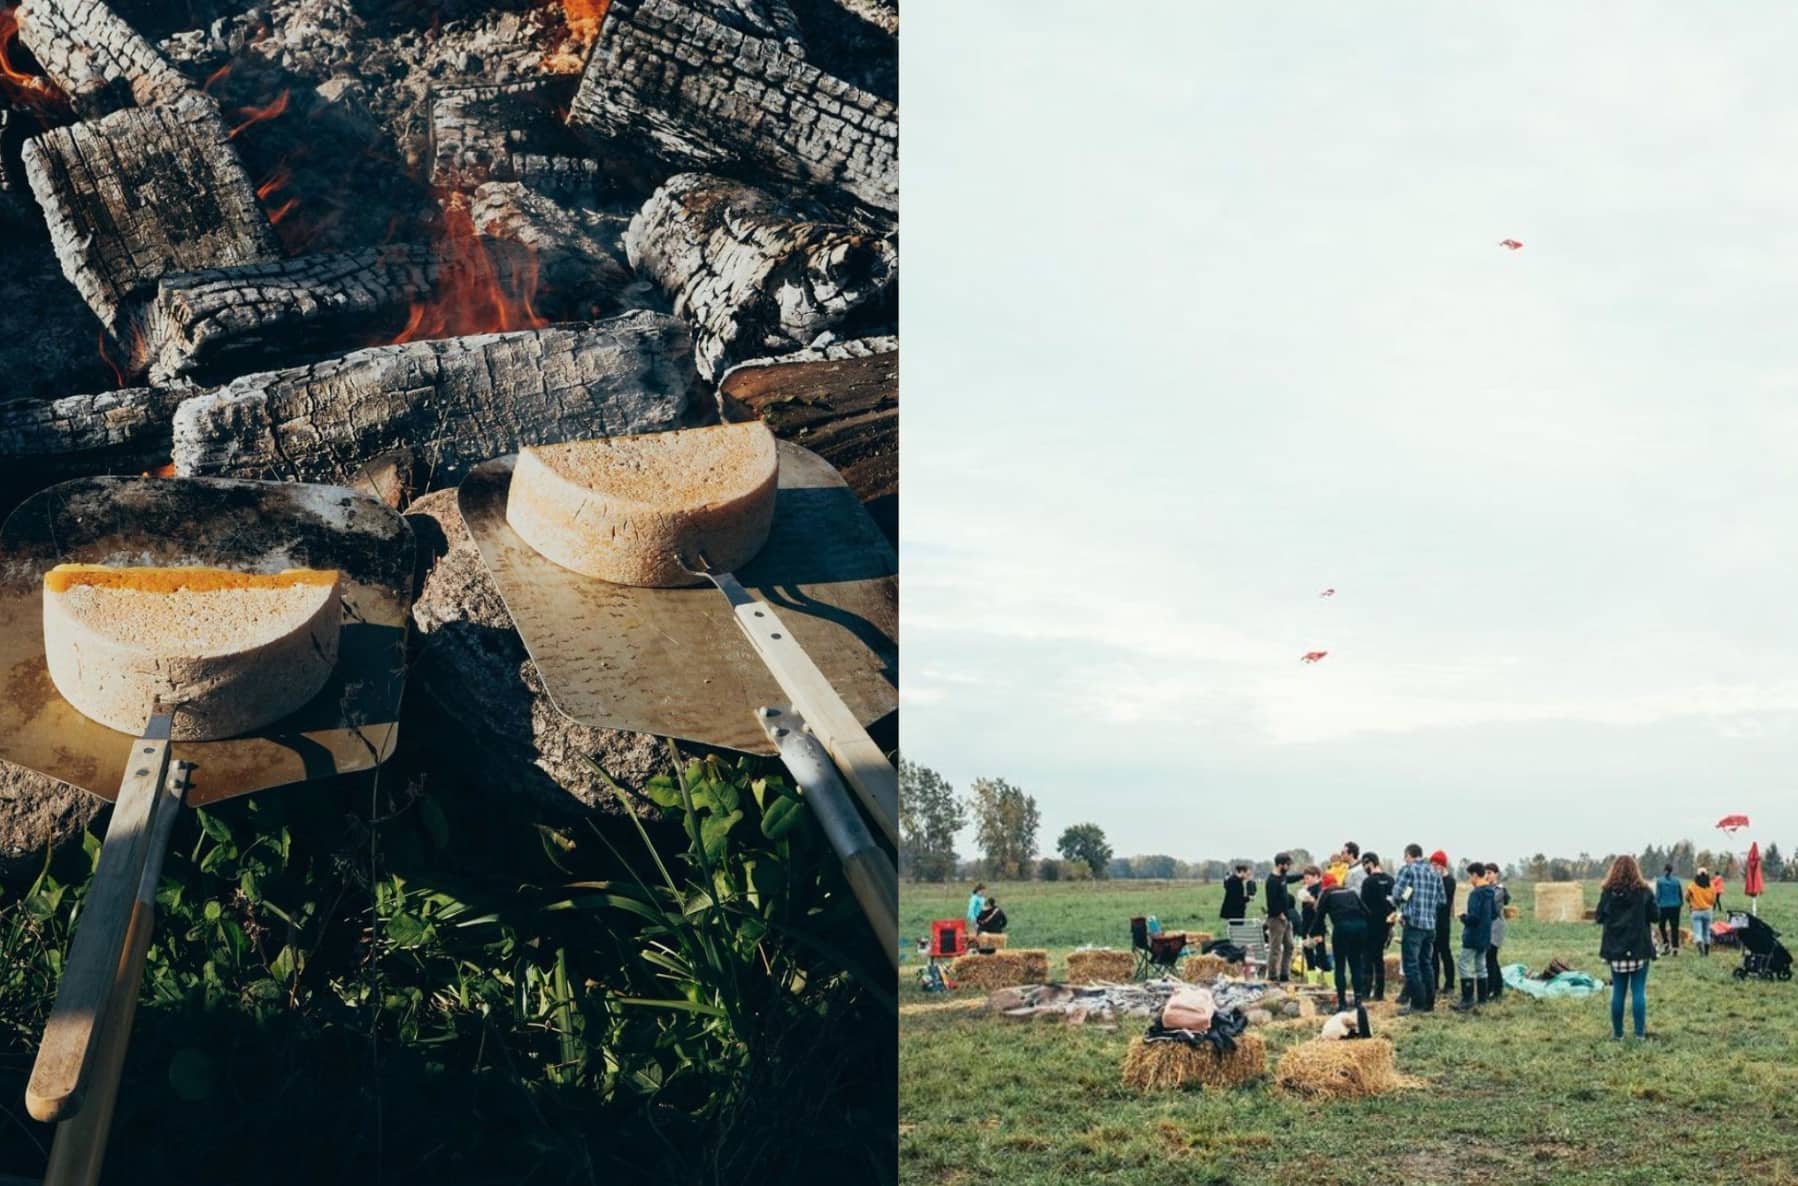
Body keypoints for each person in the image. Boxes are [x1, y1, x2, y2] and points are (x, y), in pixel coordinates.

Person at [1596, 854, 1658, 1040]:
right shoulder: (1644, 892)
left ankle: (1618, 1034)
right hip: (1639, 948)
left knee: (1618, 992)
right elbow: (1655, 916)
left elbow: (1599, 917)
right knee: (1638, 992)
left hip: (1616, 950)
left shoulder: (1608, 892)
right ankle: (1639, 1034)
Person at [1392, 844, 1446, 1015]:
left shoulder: (1408, 870)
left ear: (1409, 855)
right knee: (1426, 964)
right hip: (1430, 926)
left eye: (1405, 857)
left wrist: (1403, 903)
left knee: (1411, 965)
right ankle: (1429, 1004)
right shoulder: (1435, 872)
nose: (1405, 860)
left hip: (1413, 924)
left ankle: (1417, 1004)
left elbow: (1397, 895)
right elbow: (1442, 900)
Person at [1308, 872, 1372, 1012]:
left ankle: (1342, 1003)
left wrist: (1312, 933)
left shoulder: (1327, 894)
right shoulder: (1351, 892)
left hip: (1342, 928)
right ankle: (1358, 1000)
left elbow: (1319, 916)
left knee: (1340, 965)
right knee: (1356, 964)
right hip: (1360, 928)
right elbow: (1367, 912)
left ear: (1324, 886)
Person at [1452, 863, 1497, 1011]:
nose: (1469, 879)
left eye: (1469, 876)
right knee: (1481, 966)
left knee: (1463, 964)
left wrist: (1463, 917)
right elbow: (1494, 914)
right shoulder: (1490, 892)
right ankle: (1482, 999)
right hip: (1485, 936)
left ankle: (1468, 999)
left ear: (1475, 875)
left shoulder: (1476, 894)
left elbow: (1474, 918)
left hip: (1473, 936)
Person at [1359, 852, 1396, 1000]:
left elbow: (1362, 905)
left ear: (1370, 863)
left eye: (1364, 865)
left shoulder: (1368, 882)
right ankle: (1379, 993)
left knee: (1367, 958)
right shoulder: (1390, 880)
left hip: (1370, 924)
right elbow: (1394, 902)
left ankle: (1366, 991)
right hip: (1385, 924)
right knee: (1379, 957)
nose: (1364, 868)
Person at [1264, 853, 1305, 982]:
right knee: (1275, 948)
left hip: (1286, 918)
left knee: (1290, 946)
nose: (1288, 867)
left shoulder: (1282, 877)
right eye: (1287, 865)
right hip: (1276, 919)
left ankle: (1284, 974)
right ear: (1280, 864)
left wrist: (1303, 875)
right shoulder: (1272, 881)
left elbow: (1290, 878)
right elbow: (1271, 902)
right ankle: (1272, 976)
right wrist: (1279, 914)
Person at [1431, 850, 1457, 995]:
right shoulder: (1435, 879)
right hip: (1432, 922)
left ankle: (1450, 984)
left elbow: (1444, 903)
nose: (1433, 867)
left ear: (1442, 865)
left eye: (1435, 864)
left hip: (1443, 923)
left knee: (1445, 953)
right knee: (1433, 954)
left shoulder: (1449, 881)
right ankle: (1434, 983)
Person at [1485, 861, 1511, 999]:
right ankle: (1497, 987)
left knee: (1490, 956)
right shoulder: (1487, 888)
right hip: (1488, 927)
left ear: (1496, 874)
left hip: (1496, 927)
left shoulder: (1499, 890)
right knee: (1490, 958)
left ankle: (1492, 988)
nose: (1487, 875)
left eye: (1489, 873)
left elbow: (1490, 901)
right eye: (1485, 873)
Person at [1685, 869, 1721, 955]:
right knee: (1706, 932)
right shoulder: (1711, 885)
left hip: (1696, 911)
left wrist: (1691, 902)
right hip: (1708, 911)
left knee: (1697, 932)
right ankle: (1707, 951)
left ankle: (1699, 944)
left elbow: (1687, 897)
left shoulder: (1692, 885)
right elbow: (1714, 900)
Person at [1654, 863, 1683, 956]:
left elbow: (1658, 895)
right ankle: (1675, 947)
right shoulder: (1677, 881)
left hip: (1663, 906)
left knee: (1661, 926)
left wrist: (1655, 904)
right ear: (1672, 870)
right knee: (1675, 927)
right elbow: (1680, 893)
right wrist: (1680, 903)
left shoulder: (1659, 881)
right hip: (1675, 906)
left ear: (1664, 870)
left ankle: (1666, 943)